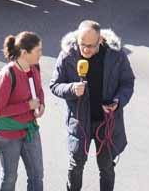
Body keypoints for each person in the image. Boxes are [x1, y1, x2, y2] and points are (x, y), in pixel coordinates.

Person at [48, 20, 135, 191]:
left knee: (107, 167)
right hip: (80, 122)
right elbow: (55, 85)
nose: (86, 49)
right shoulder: (67, 56)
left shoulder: (116, 56)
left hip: (107, 123)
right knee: (76, 164)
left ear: (101, 40)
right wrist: (71, 88)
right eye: (82, 45)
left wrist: (117, 102)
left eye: (91, 46)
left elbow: (127, 82)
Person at [0, 30, 46, 191]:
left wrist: (41, 106)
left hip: (29, 129)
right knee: (9, 177)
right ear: (24, 53)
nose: (41, 54)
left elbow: (39, 90)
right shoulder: (7, 75)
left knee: (37, 175)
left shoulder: (35, 67)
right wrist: (28, 106)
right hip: (8, 134)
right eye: (38, 51)